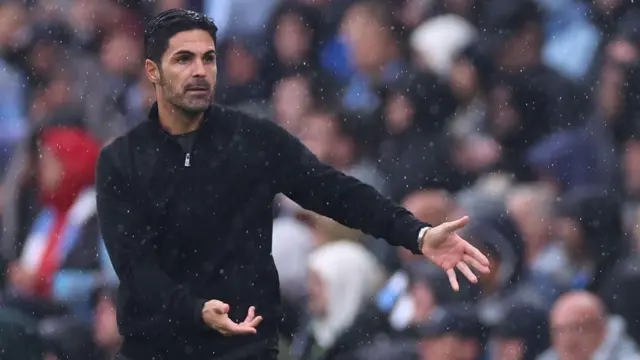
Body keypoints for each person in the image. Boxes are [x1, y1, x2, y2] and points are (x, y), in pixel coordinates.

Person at [96, 9, 490, 360]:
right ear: (153, 72)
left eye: (208, 59)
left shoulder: (254, 140)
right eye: (184, 59)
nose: (199, 71)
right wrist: (194, 310)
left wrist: (417, 234)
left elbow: (336, 192)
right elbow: (135, 268)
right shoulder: (120, 162)